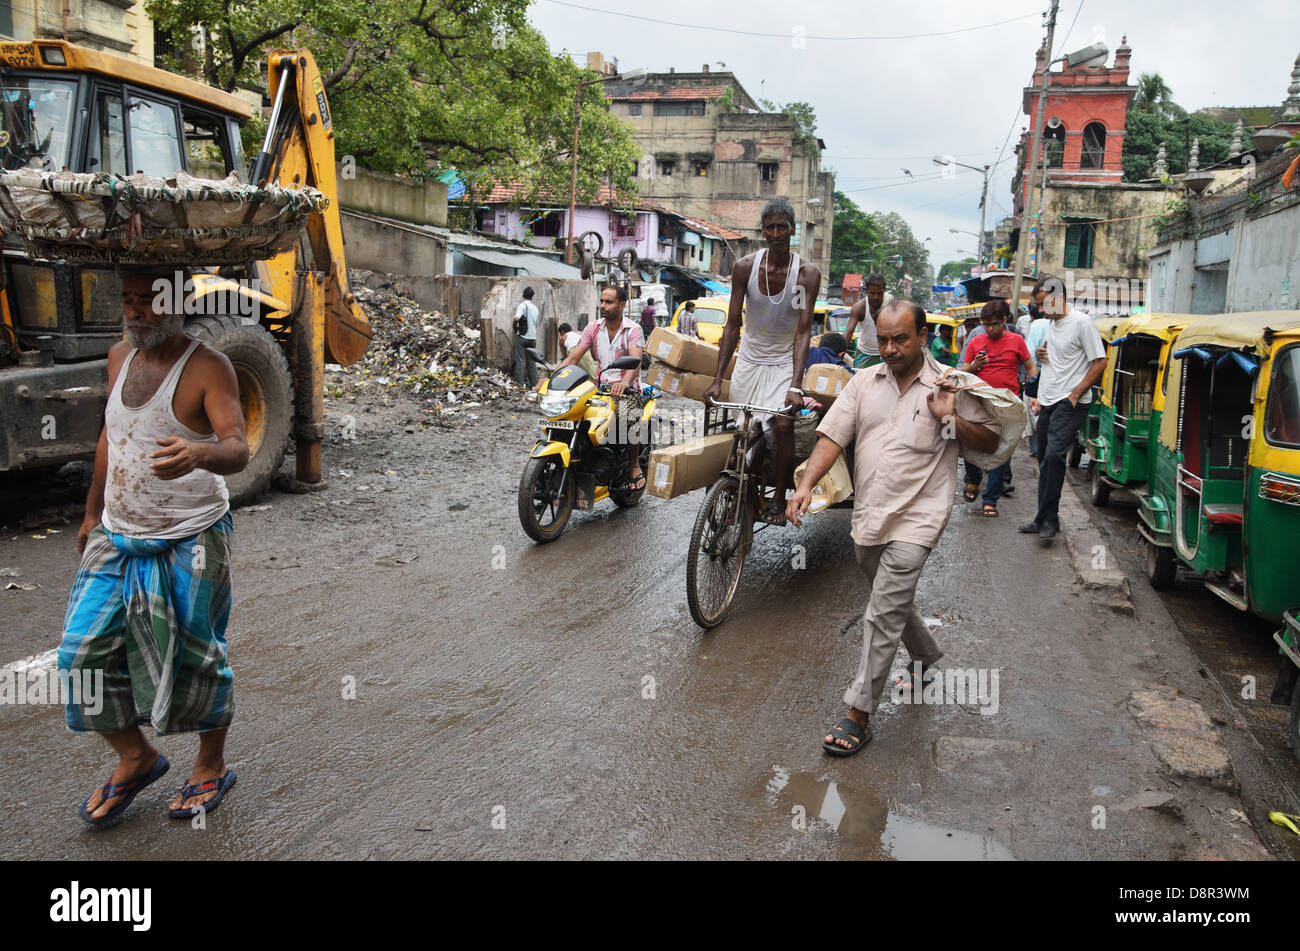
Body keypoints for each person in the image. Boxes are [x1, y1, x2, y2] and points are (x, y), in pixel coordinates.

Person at [61, 269, 249, 825]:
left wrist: (199, 453)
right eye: (129, 299)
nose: (137, 311)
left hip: (192, 534)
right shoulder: (121, 356)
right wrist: (93, 511)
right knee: (79, 658)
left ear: (181, 303)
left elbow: (237, 447)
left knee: (198, 656)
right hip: (118, 534)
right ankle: (137, 757)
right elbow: (110, 437)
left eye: (150, 301)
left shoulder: (209, 368)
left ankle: (209, 766)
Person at [788, 301, 1000, 755]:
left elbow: (991, 440)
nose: (889, 348)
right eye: (882, 339)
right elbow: (832, 436)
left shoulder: (951, 385)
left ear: (923, 337)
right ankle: (925, 653)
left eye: (900, 339)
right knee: (886, 592)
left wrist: (952, 416)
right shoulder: (864, 382)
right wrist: (806, 483)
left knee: (882, 610)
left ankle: (858, 715)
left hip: (920, 516)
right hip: (870, 513)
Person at [705, 197, 821, 525]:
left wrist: (796, 384)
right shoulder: (745, 268)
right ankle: (741, 491)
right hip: (750, 358)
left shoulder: (807, 275)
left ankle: (779, 497)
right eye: (769, 227)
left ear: (793, 230)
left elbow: (802, 333)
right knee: (745, 430)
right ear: (762, 231)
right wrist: (717, 378)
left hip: (785, 359)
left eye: (781, 227)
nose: (775, 233)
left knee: (782, 423)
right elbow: (732, 324)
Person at [1019, 276, 1106, 540]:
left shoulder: (1082, 322)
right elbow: (1059, 357)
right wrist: (1044, 358)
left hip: (1070, 401)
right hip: (1048, 398)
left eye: (1044, 305)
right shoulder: (1051, 325)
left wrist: (1077, 393)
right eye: (1039, 306)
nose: (1041, 311)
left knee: (1056, 457)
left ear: (1059, 298)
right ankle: (1045, 518)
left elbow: (1100, 362)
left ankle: (1049, 520)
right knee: (1045, 460)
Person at [553, 284, 647, 491]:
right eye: (602, 301)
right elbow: (574, 357)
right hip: (599, 388)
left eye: (609, 302)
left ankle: (633, 465)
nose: (603, 305)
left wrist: (624, 382)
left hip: (626, 390)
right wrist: (552, 378)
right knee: (570, 412)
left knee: (627, 417)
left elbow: (636, 360)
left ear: (622, 305)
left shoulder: (633, 329)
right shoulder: (593, 327)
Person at [957, 299, 1038, 516]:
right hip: (978, 400)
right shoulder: (976, 341)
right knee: (971, 442)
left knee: (1002, 450)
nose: (989, 329)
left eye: (993, 324)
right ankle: (973, 479)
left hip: (1007, 403)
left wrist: (1035, 394)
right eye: (985, 324)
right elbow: (964, 369)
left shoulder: (1016, 341)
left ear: (1004, 320)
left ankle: (990, 499)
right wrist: (974, 366)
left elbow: (1030, 366)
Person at [1023, 303, 1050, 461]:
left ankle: (1035, 448)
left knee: (1035, 412)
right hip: (1055, 377)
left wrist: (1030, 378)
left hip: (1038, 373)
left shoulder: (1037, 325)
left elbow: (1030, 354)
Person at [842, 273, 886, 369]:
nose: (876, 297)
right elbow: (848, 333)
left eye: (879, 293)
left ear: (884, 291)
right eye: (872, 293)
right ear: (866, 292)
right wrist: (840, 351)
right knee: (860, 381)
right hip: (864, 353)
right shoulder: (859, 308)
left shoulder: (889, 305)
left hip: (885, 353)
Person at [512, 286, 540, 388]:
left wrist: (515, 327)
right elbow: (536, 324)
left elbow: (516, 318)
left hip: (523, 337)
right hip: (533, 339)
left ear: (523, 295)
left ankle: (520, 383)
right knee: (531, 362)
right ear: (532, 296)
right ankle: (534, 385)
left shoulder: (522, 306)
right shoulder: (535, 308)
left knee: (520, 359)